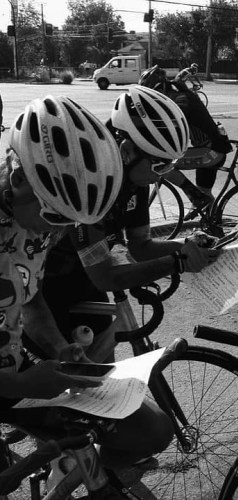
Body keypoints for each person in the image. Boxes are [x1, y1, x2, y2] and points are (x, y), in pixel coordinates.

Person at [0, 95, 172, 476]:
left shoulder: (41, 223)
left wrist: (60, 347)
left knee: (152, 429)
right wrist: (20, 382)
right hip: (11, 381)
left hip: (15, 374)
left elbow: (32, 303)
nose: (60, 232)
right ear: (18, 178)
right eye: (55, 217)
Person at [40, 85, 220, 364]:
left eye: (168, 166)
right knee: (62, 393)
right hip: (46, 297)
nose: (162, 175)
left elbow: (140, 246)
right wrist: (177, 262)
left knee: (101, 383)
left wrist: (186, 245)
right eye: (159, 166)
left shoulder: (135, 178)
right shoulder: (90, 185)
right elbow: (106, 276)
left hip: (87, 290)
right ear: (127, 151)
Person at [140, 65, 232, 220]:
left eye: (154, 94)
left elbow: (169, 128)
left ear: (161, 88)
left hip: (210, 152)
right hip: (210, 148)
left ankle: (196, 197)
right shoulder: (177, 93)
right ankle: (213, 225)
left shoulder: (181, 100)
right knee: (205, 193)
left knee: (162, 166)